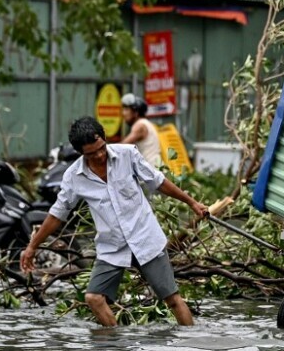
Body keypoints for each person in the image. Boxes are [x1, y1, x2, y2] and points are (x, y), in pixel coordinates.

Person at [21, 116, 209, 326]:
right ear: (81, 153)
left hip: (145, 238)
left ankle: (192, 343)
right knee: (93, 298)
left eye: (102, 147)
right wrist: (32, 247)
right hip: (112, 247)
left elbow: (158, 182)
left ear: (104, 138)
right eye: (92, 153)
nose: (100, 155)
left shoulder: (127, 154)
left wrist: (192, 203)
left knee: (172, 299)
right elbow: (57, 214)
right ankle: (117, 343)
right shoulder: (74, 176)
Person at [121, 94, 162, 167]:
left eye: (127, 110)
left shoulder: (140, 125)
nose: (123, 113)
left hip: (150, 170)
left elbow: (123, 146)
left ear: (136, 113)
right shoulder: (145, 123)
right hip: (153, 168)